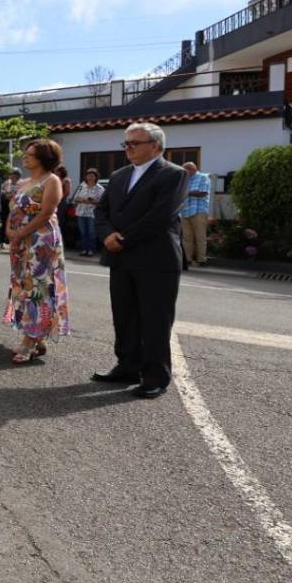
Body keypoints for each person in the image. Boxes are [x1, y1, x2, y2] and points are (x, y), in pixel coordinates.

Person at [92, 122, 188, 399]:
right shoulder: (120, 175)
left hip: (155, 260)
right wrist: (107, 235)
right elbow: (102, 210)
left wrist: (123, 239)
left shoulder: (174, 174)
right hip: (120, 259)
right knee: (124, 316)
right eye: (126, 143)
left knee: (155, 320)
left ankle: (156, 375)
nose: (128, 148)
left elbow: (161, 215)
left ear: (155, 146)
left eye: (134, 143)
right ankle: (128, 365)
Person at [4, 139, 71, 363]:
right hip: (20, 242)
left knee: (37, 288)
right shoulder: (23, 182)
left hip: (40, 241)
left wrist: (20, 233)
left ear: (43, 157)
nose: (25, 157)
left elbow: (46, 213)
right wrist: (9, 231)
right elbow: (12, 209)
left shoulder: (51, 180)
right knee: (22, 286)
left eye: (30, 154)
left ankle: (29, 340)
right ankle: (36, 337)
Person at [180, 161, 211, 268]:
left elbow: (204, 192)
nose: (183, 172)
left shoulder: (203, 177)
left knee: (200, 237)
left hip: (199, 211)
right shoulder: (184, 180)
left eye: (185, 170)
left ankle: (202, 260)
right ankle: (187, 260)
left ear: (191, 169)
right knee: (186, 237)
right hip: (184, 211)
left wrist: (187, 192)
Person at [73, 168, 104, 256]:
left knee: (91, 232)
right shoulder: (81, 186)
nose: (90, 177)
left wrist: (92, 201)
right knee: (83, 232)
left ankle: (91, 250)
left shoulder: (99, 188)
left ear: (96, 177)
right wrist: (80, 200)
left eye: (92, 176)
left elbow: (102, 202)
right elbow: (74, 198)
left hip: (92, 213)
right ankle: (84, 249)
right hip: (81, 212)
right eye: (88, 175)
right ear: (86, 177)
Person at [0, 169, 21, 249]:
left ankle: (13, 241)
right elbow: (1, 190)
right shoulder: (7, 183)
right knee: (5, 222)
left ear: (17, 175)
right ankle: (2, 241)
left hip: (16, 206)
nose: (10, 175)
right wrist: (5, 193)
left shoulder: (22, 183)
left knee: (15, 223)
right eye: (10, 174)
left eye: (12, 174)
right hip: (6, 205)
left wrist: (13, 194)